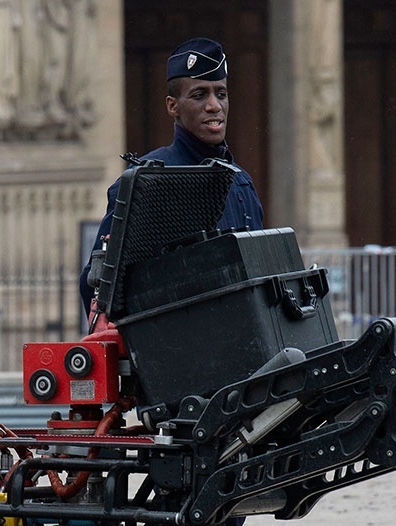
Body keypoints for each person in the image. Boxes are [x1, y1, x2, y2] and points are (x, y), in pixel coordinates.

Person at [79, 36, 265, 316]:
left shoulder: (241, 181)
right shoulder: (145, 182)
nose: (214, 106)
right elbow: (99, 289)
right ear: (172, 106)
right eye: (200, 95)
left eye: (221, 93)